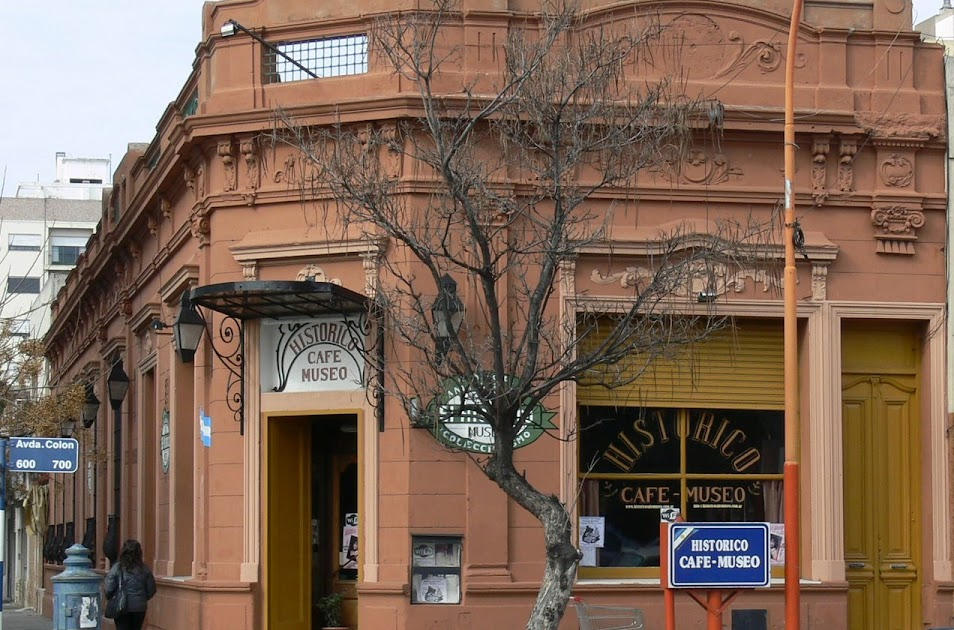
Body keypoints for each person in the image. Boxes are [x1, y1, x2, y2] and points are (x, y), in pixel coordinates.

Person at [105, 539, 157, 630]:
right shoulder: (144, 569)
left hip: (121, 606)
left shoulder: (117, 567)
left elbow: (109, 587)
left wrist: (111, 596)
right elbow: (151, 589)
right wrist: (141, 597)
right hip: (139, 607)